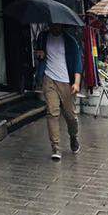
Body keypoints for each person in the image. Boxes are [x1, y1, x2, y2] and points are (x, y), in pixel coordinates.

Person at [35, 22, 81, 161]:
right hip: (49, 79)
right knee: (52, 112)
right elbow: (38, 54)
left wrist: (77, 83)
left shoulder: (70, 41)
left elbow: (78, 63)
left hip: (66, 81)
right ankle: (56, 147)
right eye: (52, 24)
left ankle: (73, 137)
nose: (54, 27)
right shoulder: (42, 37)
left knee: (70, 116)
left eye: (57, 25)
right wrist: (39, 54)